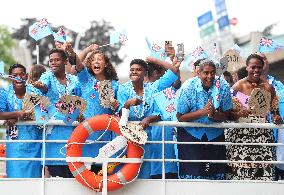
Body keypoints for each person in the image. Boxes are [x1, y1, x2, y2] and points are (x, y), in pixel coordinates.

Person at [117, 57, 179, 179]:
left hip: (150, 139)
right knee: (133, 176)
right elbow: (121, 116)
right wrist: (127, 104)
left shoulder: (153, 88)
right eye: (132, 69)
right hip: (131, 138)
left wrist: (155, 61)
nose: (134, 71)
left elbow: (174, 71)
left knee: (149, 176)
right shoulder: (123, 89)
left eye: (139, 69)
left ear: (145, 73)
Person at [225, 54, 282, 180]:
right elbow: (228, 115)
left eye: (259, 67)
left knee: (264, 177)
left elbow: (275, 112)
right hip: (241, 139)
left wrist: (277, 118)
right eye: (253, 67)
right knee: (241, 177)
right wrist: (239, 114)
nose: (256, 70)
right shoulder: (237, 87)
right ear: (247, 68)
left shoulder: (269, 87)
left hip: (263, 139)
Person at [67, 43, 120, 173]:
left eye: (100, 59)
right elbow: (77, 66)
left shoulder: (115, 84)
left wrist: (116, 105)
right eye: (93, 60)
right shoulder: (85, 80)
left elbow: (120, 109)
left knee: (102, 174)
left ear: (106, 64)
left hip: (105, 136)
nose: (96, 62)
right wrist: (72, 53)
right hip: (85, 135)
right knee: (85, 172)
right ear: (89, 65)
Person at [176, 59, 232, 180]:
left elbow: (227, 114)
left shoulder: (223, 86)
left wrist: (214, 115)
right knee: (193, 176)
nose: (210, 76)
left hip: (215, 135)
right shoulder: (188, 87)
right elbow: (180, 117)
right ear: (199, 73)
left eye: (212, 73)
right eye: (206, 73)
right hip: (191, 136)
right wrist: (203, 112)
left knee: (215, 176)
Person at [32, 48, 80, 178]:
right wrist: (41, 86)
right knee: (56, 176)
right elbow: (44, 86)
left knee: (74, 176)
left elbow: (81, 101)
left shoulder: (75, 80)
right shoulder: (46, 76)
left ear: (65, 61)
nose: (53, 62)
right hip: (54, 135)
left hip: (73, 133)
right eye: (51, 60)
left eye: (57, 59)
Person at [0, 63, 42, 178]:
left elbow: (45, 112)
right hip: (15, 147)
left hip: (35, 145)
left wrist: (16, 118)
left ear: (27, 76)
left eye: (22, 74)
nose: (18, 77)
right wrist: (16, 114)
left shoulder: (35, 91)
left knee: (35, 184)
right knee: (15, 181)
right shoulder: (4, 93)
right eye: (15, 75)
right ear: (10, 77)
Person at [256, 52, 284, 180]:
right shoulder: (244, 85)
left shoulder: (278, 86)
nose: (261, 62)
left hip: (277, 139)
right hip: (255, 140)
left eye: (264, 59)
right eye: (258, 59)